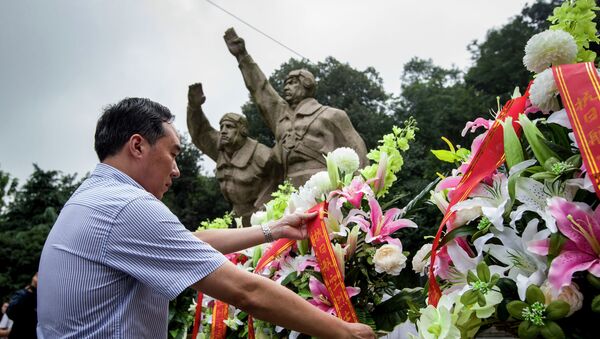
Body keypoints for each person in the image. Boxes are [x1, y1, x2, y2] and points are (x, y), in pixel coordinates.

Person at [36, 97, 375, 338]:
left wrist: (273, 229)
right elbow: (246, 292)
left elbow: (188, 242)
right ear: (137, 146)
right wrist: (343, 331)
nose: (177, 170)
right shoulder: (128, 206)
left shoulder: (94, 198)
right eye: (172, 154)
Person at [224, 28, 369, 187]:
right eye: (285, 84)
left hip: (325, 185)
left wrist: (360, 193)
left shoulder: (332, 115)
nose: (286, 87)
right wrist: (242, 56)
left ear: (307, 85)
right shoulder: (281, 116)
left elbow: (357, 150)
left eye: (292, 83)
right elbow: (261, 89)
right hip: (289, 188)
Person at [187, 83, 281, 226]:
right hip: (236, 219)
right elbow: (201, 133)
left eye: (229, 127)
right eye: (222, 127)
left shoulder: (262, 154)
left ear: (243, 131)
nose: (223, 131)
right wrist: (194, 107)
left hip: (264, 219)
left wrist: (266, 206)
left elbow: (279, 178)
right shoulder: (221, 148)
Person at [6, 273, 37, 339]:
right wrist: (29, 291)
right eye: (37, 275)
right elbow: (10, 312)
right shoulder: (23, 294)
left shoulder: (44, 298)